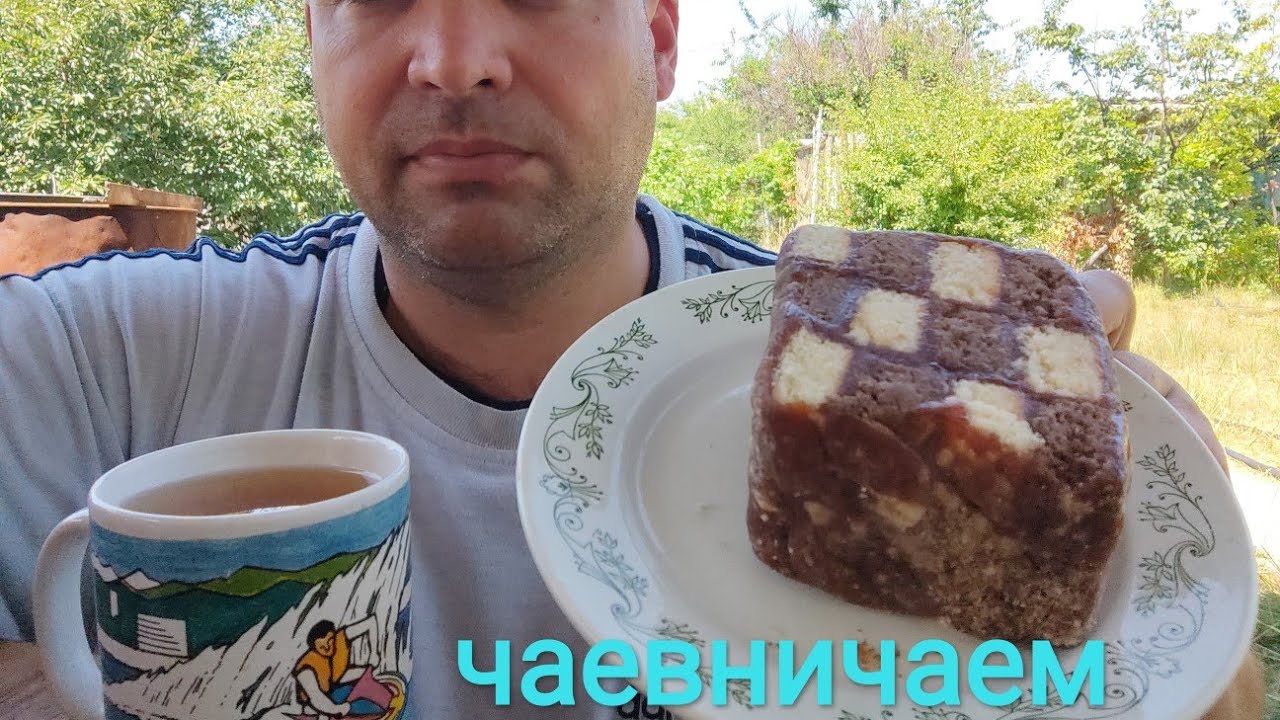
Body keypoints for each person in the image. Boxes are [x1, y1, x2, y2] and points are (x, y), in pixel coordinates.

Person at [0, 2, 1262, 718]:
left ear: (657, 40)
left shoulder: (822, 370)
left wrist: (1173, 650)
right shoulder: (103, 351)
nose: (452, 58)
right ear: (312, 42)